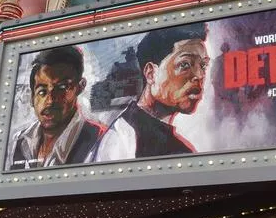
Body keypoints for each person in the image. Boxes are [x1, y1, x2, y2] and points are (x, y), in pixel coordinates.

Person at [90, 23, 210, 161]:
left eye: (203, 65)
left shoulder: (177, 148)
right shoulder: (122, 139)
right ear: (151, 73)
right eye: (185, 64)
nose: (199, 75)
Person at [10, 46, 105, 169]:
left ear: (80, 87)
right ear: (32, 98)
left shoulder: (101, 140)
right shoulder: (19, 141)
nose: (50, 100)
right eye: (42, 92)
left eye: (62, 88)